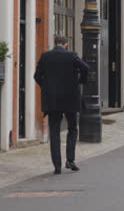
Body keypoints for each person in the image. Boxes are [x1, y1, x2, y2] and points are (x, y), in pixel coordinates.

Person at [34, 35, 89, 174]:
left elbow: (37, 76)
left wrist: (47, 87)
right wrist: (80, 81)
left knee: (54, 131)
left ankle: (57, 166)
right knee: (72, 128)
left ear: (55, 43)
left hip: (53, 100)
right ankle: (70, 160)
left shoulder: (45, 56)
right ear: (66, 44)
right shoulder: (72, 56)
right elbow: (85, 68)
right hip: (70, 98)